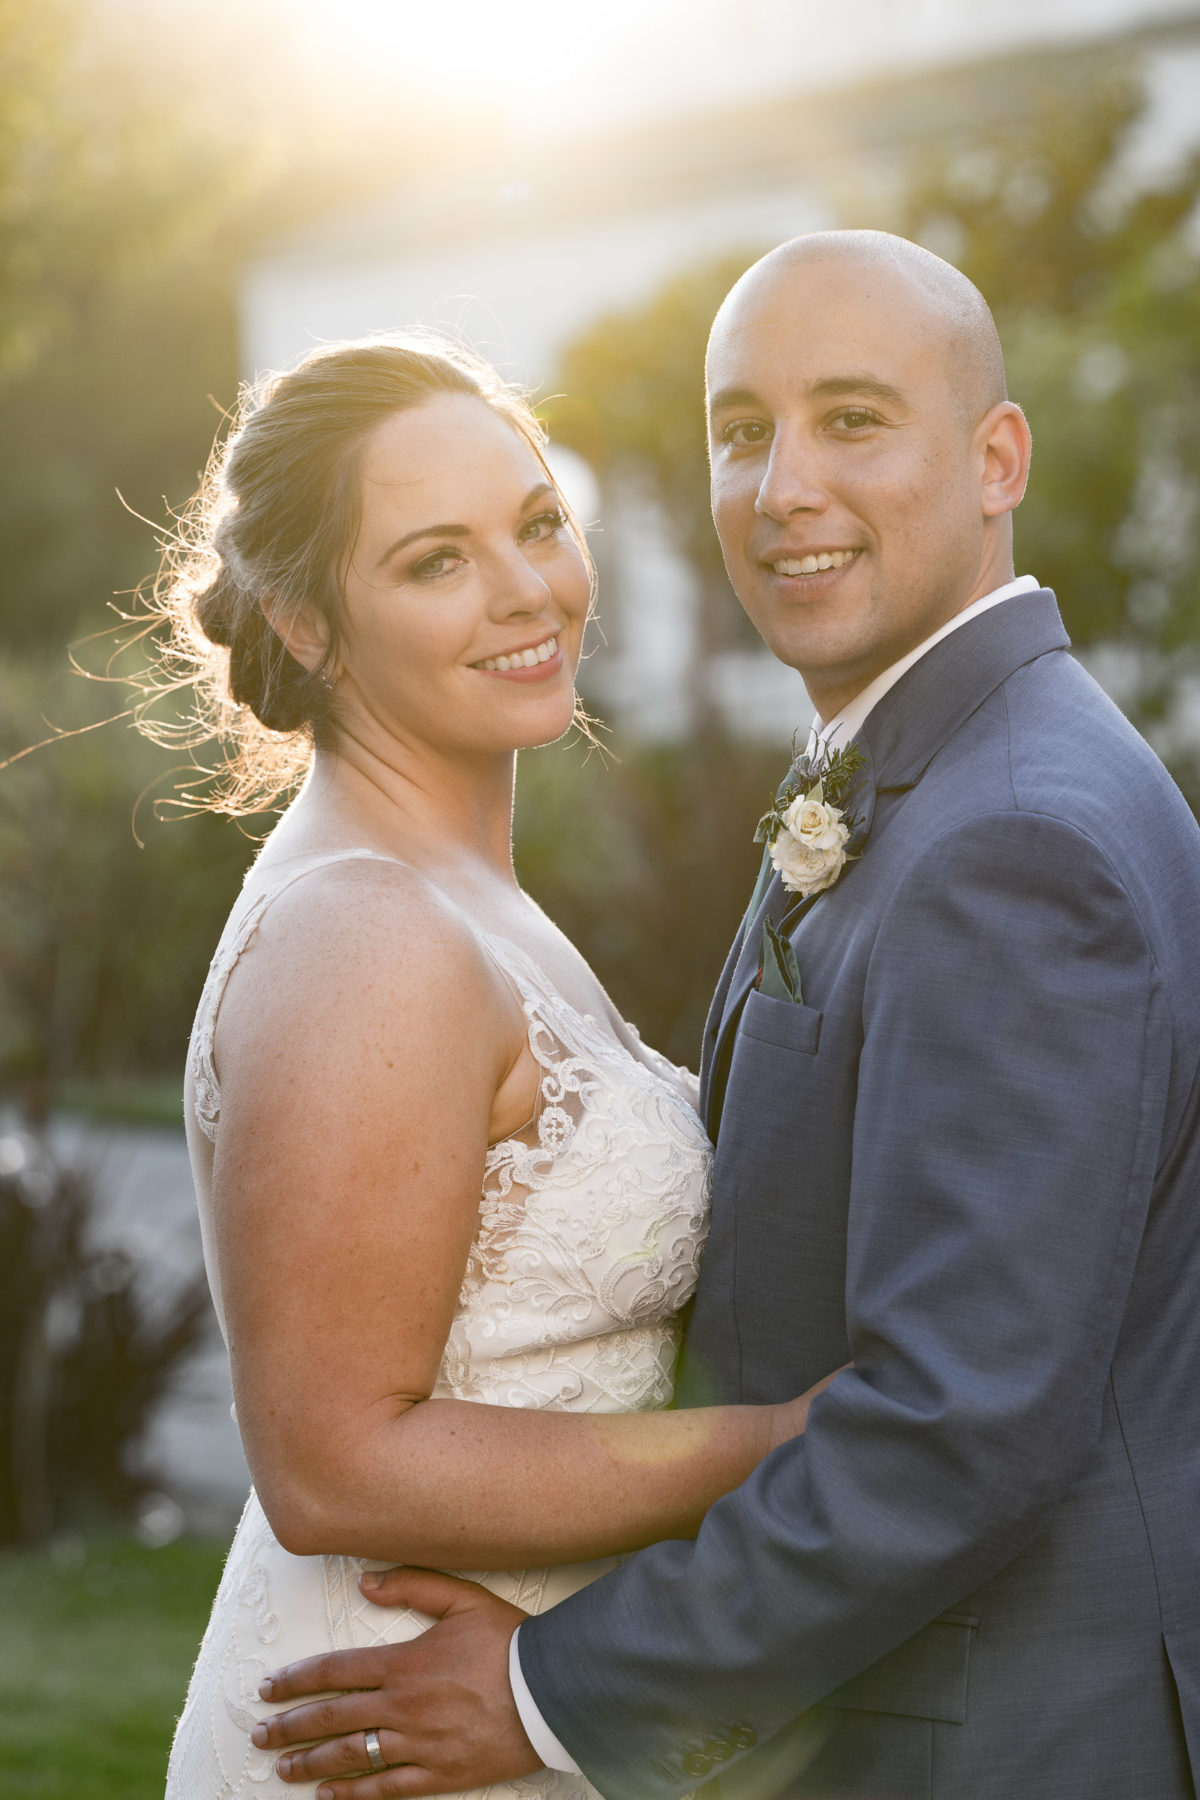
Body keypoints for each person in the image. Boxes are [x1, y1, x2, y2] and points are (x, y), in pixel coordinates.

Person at [256, 234, 1200, 1800]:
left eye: (852, 420)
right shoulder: (941, 767)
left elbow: (953, 1430)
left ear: (995, 459)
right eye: (742, 432)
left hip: (992, 1736)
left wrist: (556, 1693)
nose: (781, 491)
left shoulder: (1013, 840)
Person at [157, 334, 837, 1800]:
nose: (529, 590)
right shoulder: (365, 930)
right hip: (392, 1722)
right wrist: (787, 1444)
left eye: (537, 523)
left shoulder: (462, 894)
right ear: (309, 622)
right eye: (434, 562)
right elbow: (331, 1461)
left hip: (517, 1703)